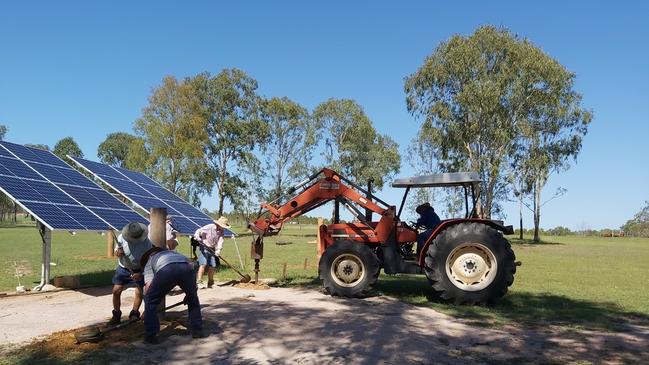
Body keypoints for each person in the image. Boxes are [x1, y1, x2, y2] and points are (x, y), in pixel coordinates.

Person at [140, 247, 204, 344]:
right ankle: (197, 330)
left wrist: (148, 307)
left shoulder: (150, 260)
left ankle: (151, 335)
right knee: (193, 299)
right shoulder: (176, 254)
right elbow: (193, 267)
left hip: (167, 270)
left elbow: (148, 287)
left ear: (150, 255)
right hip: (186, 267)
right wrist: (190, 294)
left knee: (150, 300)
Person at [109, 222, 153, 325]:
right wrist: (118, 253)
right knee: (116, 290)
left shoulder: (147, 243)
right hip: (123, 268)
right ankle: (116, 314)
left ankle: (134, 313)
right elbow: (116, 253)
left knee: (139, 292)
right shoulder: (121, 238)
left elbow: (148, 260)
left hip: (139, 269)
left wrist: (141, 273)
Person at [193, 216, 231, 289]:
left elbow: (220, 241)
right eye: (223, 226)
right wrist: (197, 236)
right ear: (219, 224)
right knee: (203, 264)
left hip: (212, 249)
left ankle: (211, 283)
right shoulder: (210, 227)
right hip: (204, 248)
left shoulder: (221, 231)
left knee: (212, 266)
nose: (223, 227)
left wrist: (218, 250)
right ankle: (199, 282)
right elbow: (199, 230)